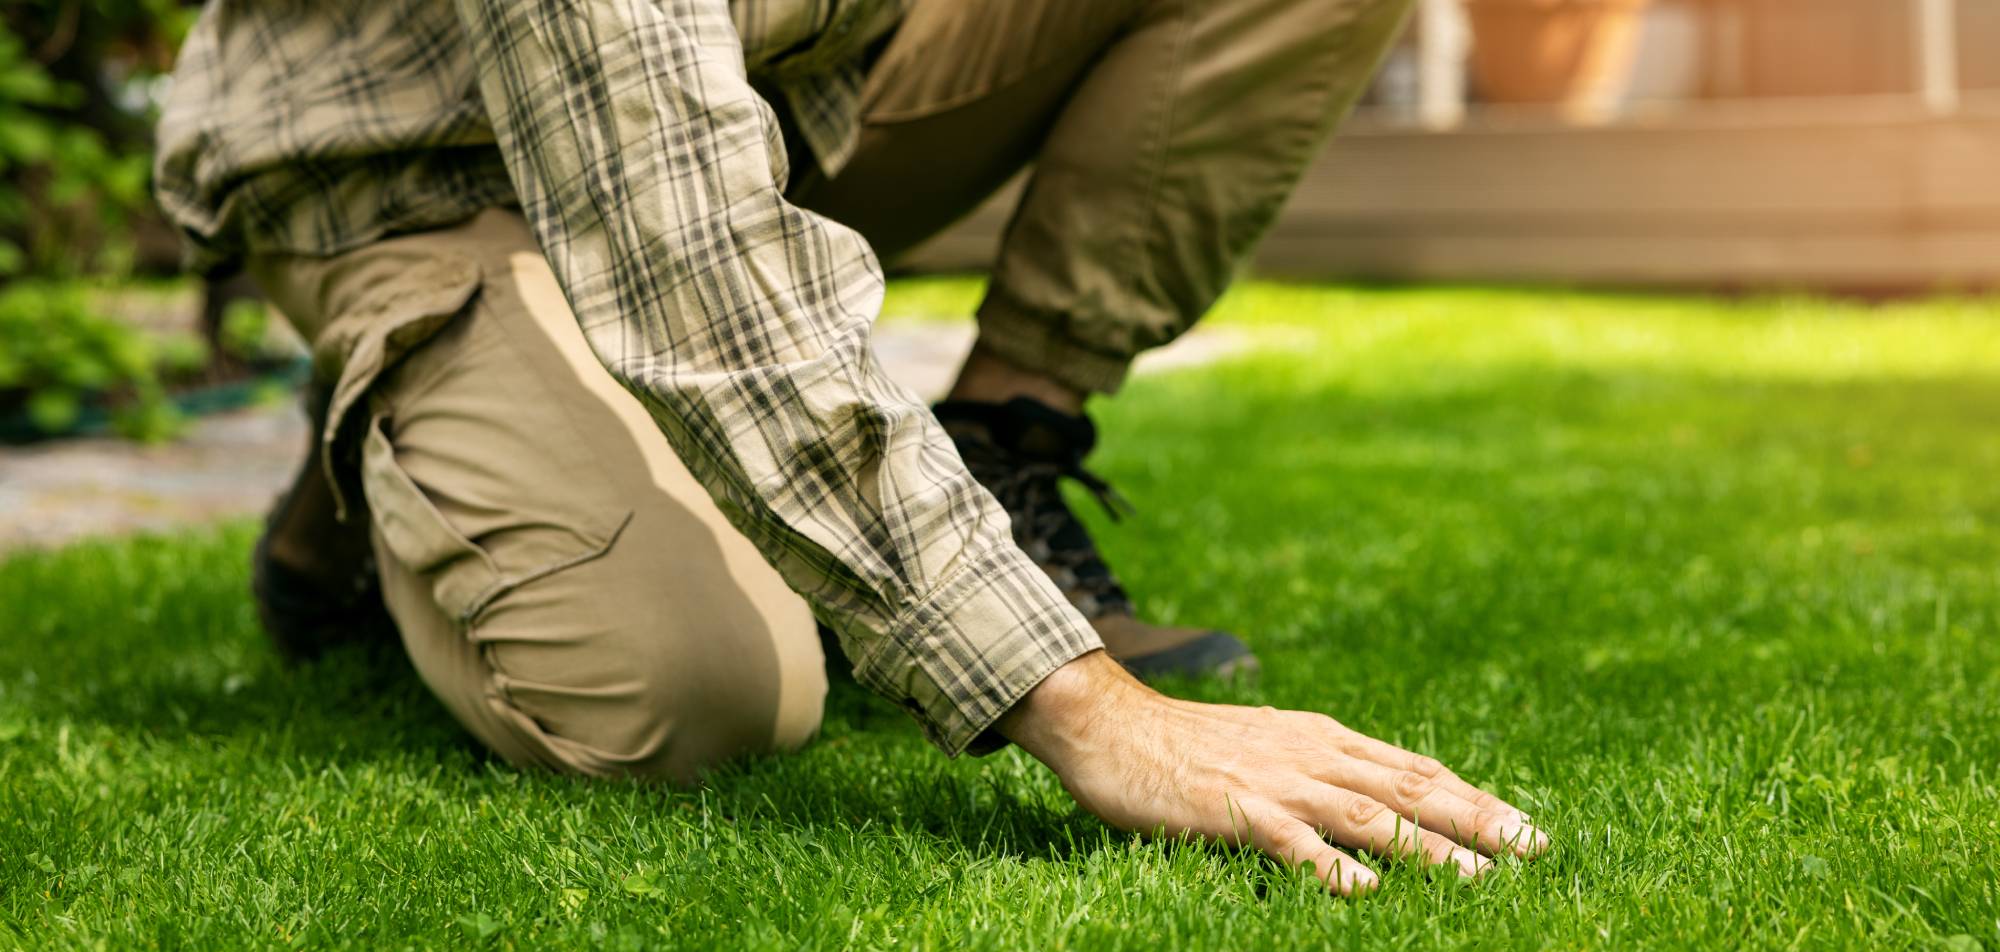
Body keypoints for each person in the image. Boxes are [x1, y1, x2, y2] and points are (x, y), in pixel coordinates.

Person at [155, 0, 1548, 895]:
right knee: (697, 699)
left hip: (773, 96)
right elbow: (697, 275)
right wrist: (1089, 708)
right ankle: (396, 423)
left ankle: (1000, 440)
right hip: (418, 178)